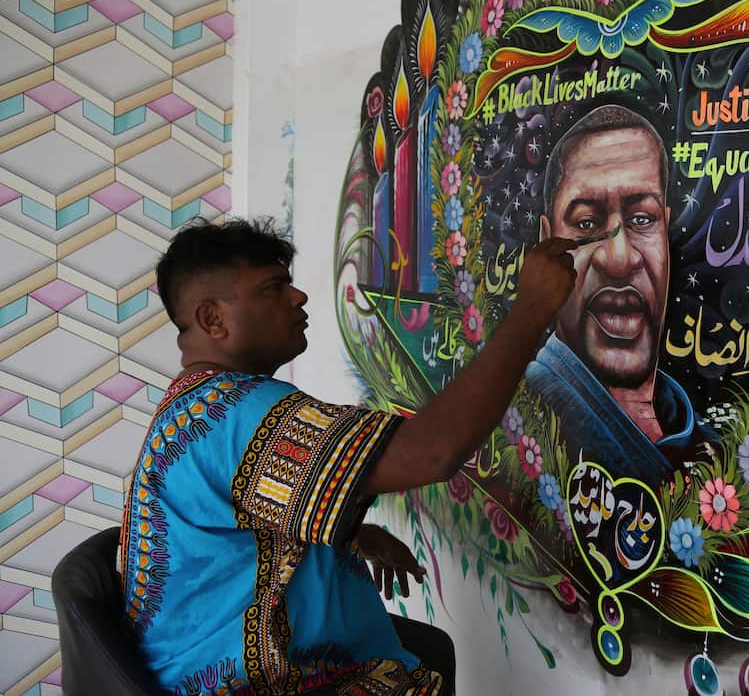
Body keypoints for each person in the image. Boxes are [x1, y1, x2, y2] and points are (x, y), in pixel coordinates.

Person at [120, 218, 577, 695]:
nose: (298, 298)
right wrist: (532, 309)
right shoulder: (239, 415)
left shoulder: (194, 406)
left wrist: (355, 531)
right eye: (273, 288)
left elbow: (233, 522)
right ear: (213, 319)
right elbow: (433, 452)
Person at [525, 104, 714, 485]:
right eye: (587, 223)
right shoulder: (529, 410)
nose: (620, 258)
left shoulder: (699, 438)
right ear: (547, 245)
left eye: (643, 219)